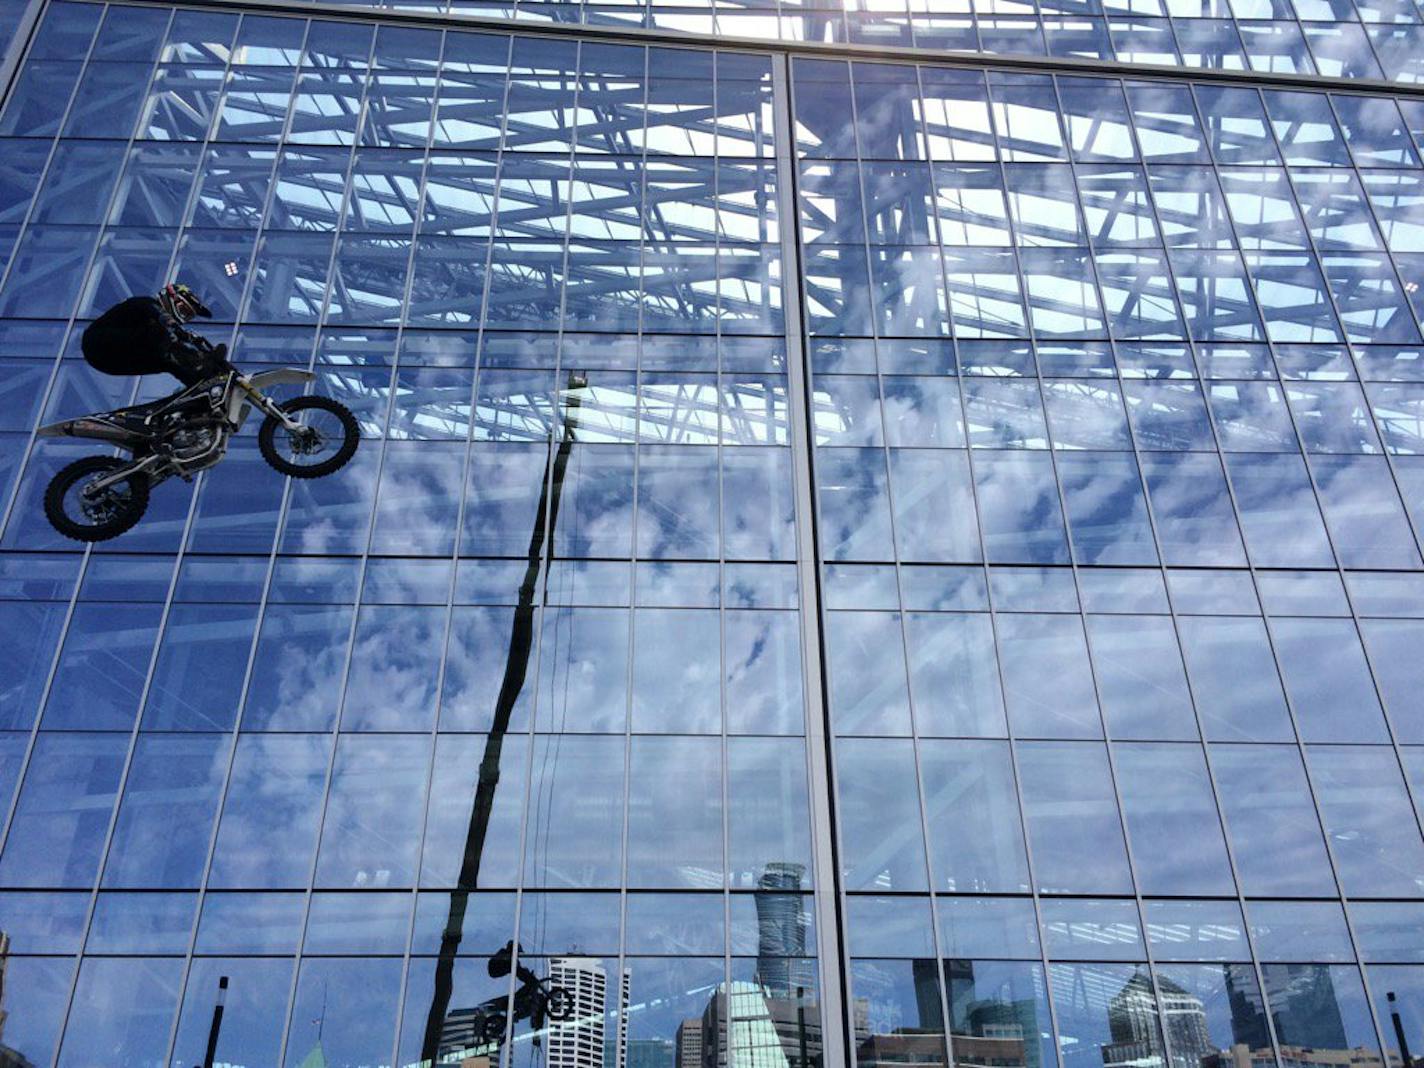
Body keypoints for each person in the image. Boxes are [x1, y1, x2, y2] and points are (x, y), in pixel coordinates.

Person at [80, 283, 232, 435]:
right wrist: (173, 327)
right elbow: (153, 311)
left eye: (188, 315)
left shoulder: (159, 332)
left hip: (111, 361)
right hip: (97, 342)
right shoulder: (146, 304)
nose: (183, 317)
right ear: (171, 298)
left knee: (169, 362)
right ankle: (199, 371)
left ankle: (191, 394)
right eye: (183, 310)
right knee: (166, 342)